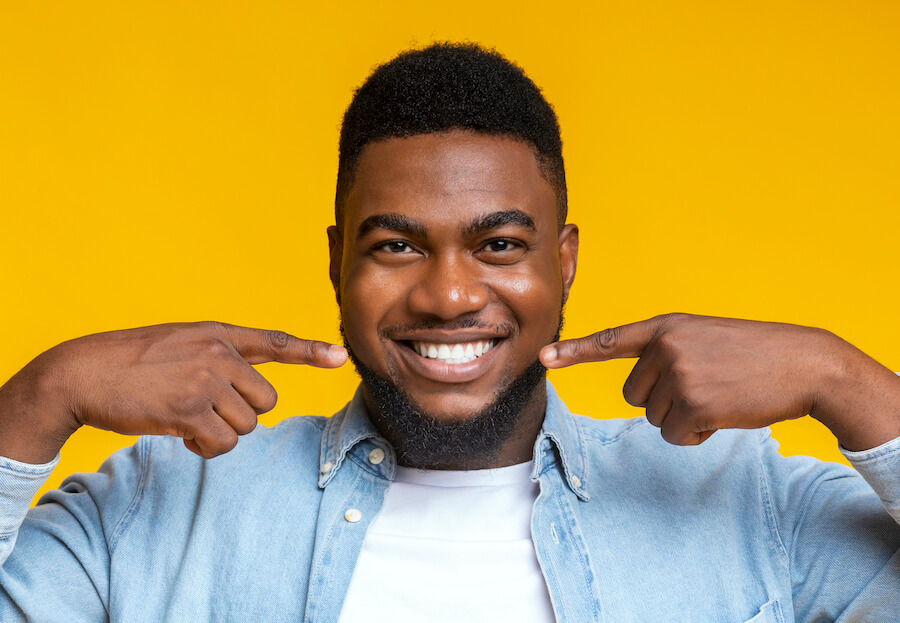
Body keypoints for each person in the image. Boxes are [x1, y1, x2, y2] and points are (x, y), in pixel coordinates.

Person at [1, 42, 898, 623]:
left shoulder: (745, 504)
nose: (448, 293)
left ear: (566, 261)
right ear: (336, 262)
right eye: (396, 245)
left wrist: (845, 380)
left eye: (499, 243)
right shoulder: (154, 509)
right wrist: (42, 394)